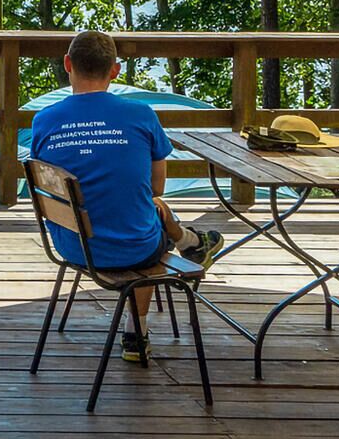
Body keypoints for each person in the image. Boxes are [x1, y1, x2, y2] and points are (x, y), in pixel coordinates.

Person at [30, 29, 224, 364]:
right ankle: (138, 329)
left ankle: (191, 242)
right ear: (115, 70)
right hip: (134, 248)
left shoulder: (43, 120)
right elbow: (157, 189)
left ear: (67, 65)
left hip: (72, 244)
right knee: (146, 217)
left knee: (139, 214)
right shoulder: (142, 115)